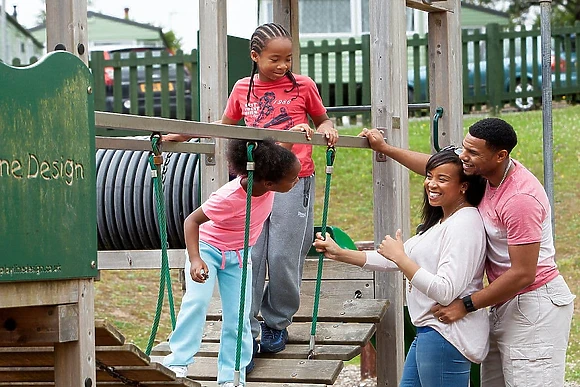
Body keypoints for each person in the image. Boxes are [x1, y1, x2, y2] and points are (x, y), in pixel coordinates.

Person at [361, 118, 575, 386]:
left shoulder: (520, 199)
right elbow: (437, 168)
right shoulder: (486, 175)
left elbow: (523, 273)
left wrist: (467, 304)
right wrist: (387, 149)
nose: (463, 156)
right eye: (465, 148)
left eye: (472, 153)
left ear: (500, 156)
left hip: (533, 303)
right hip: (503, 299)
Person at [314, 149, 489, 386]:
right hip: (429, 332)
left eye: (442, 179)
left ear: (464, 187)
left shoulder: (465, 224)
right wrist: (341, 253)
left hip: (447, 335)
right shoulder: (441, 222)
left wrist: (401, 259)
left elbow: (445, 291)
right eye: (429, 176)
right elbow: (391, 259)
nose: (431, 184)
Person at [221, 22, 339, 364]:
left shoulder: (303, 86)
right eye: (275, 59)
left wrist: (325, 130)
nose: (283, 65)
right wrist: (183, 136)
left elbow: (323, 120)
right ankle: (249, 327)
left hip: (293, 179)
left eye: (288, 58)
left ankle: (277, 323)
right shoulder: (243, 88)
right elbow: (223, 127)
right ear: (255, 56)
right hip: (255, 182)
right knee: (252, 255)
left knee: (285, 256)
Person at [162, 137, 302, 386]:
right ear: (270, 183)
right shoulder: (228, 197)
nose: (297, 181)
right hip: (208, 250)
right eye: (292, 179)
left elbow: (280, 152)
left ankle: (231, 376)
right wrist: (195, 259)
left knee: (239, 315)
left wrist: (296, 131)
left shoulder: (269, 170)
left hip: (239, 255)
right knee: (197, 302)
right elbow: (191, 222)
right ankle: (177, 362)